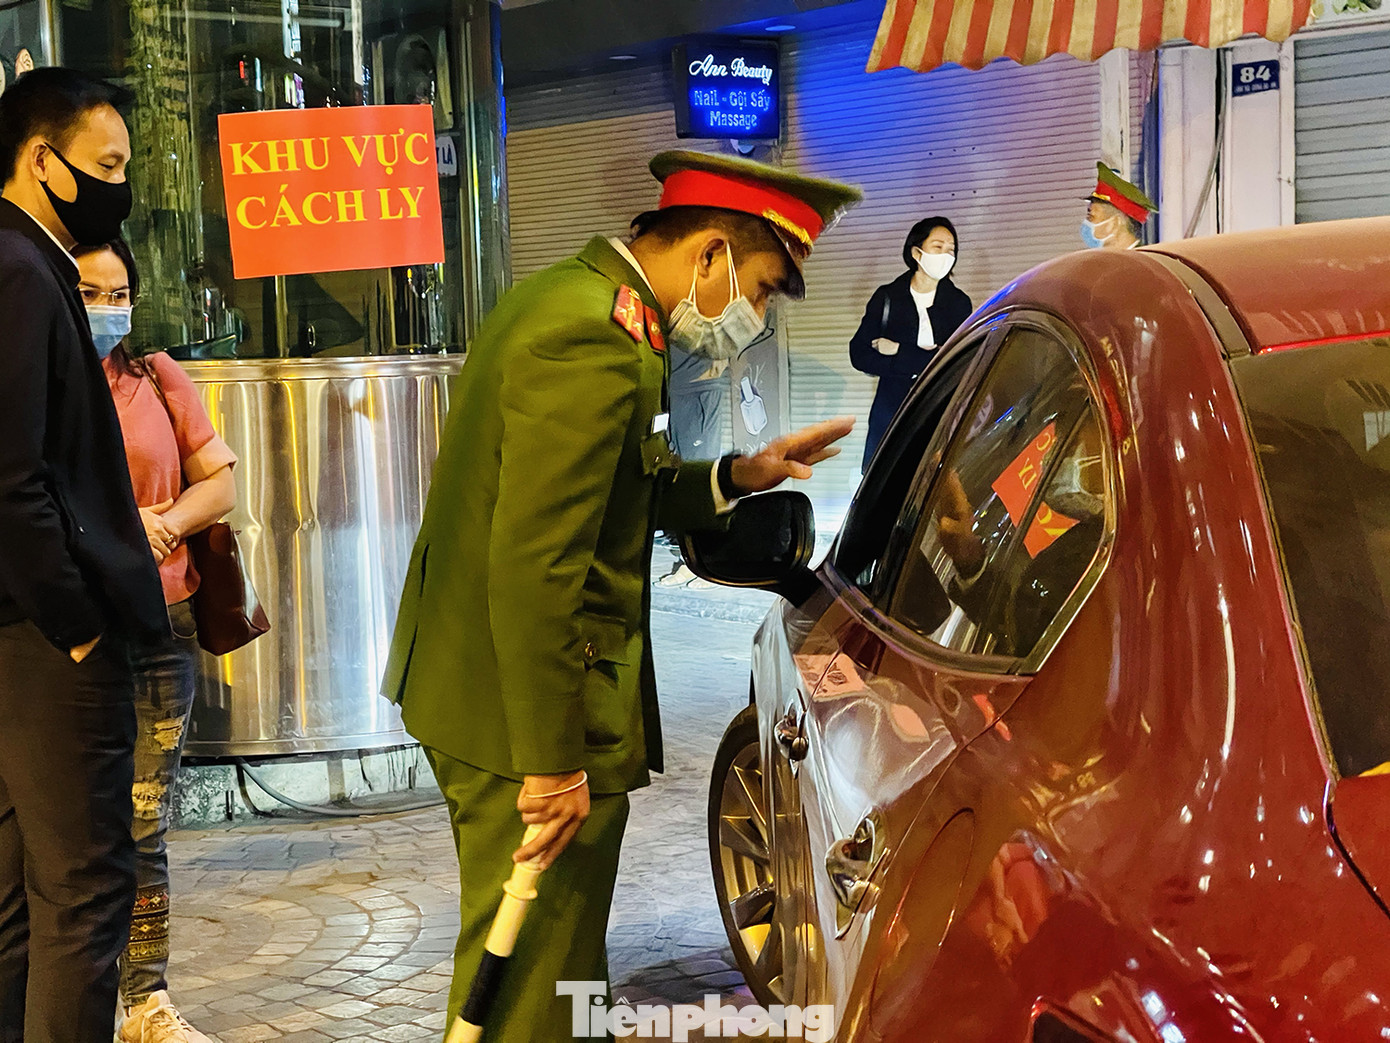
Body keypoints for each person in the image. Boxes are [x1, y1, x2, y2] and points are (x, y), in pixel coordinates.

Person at [380, 149, 859, 1042]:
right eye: (760, 289)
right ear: (710, 254)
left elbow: (617, 482)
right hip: (519, 712)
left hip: (488, 689)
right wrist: (552, 761)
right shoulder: (593, 336)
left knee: (557, 966)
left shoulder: (576, 300)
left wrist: (738, 474)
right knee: (530, 983)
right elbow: (538, 561)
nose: (754, 317)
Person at [0, 67, 168, 1042]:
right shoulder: (23, 271)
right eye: (105, 166)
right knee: (83, 896)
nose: (119, 188)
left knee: (20, 904)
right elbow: (13, 479)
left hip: (18, 630)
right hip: (41, 639)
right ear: (40, 160)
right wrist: (75, 627)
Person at [75, 238, 237, 1043]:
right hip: (71, 632)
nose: (108, 309)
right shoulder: (41, 379)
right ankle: (69, 999)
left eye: (119, 293)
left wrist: (164, 523)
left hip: (162, 623)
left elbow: (220, 482)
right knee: (71, 829)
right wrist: (116, 526)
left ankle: (146, 1002)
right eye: (90, 292)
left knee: (145, 823)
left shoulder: (158, 375)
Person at [850, 216, 973, 471]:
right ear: (917, 253)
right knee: (889, 478)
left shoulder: (958, 303)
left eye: (951, 250)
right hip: (891, 413)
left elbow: (955, 361)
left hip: (940, 410)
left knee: (934, 478)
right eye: (938, 247)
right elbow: (859, 354)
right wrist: (923, 359)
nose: (946, 255)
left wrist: (897, 351)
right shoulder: (888, 297)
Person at [1080, 162, 1157, 250]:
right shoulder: (1108, 258)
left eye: (1091, 217)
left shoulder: (1142, 258)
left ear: (1115, 223)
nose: (1086, 224)